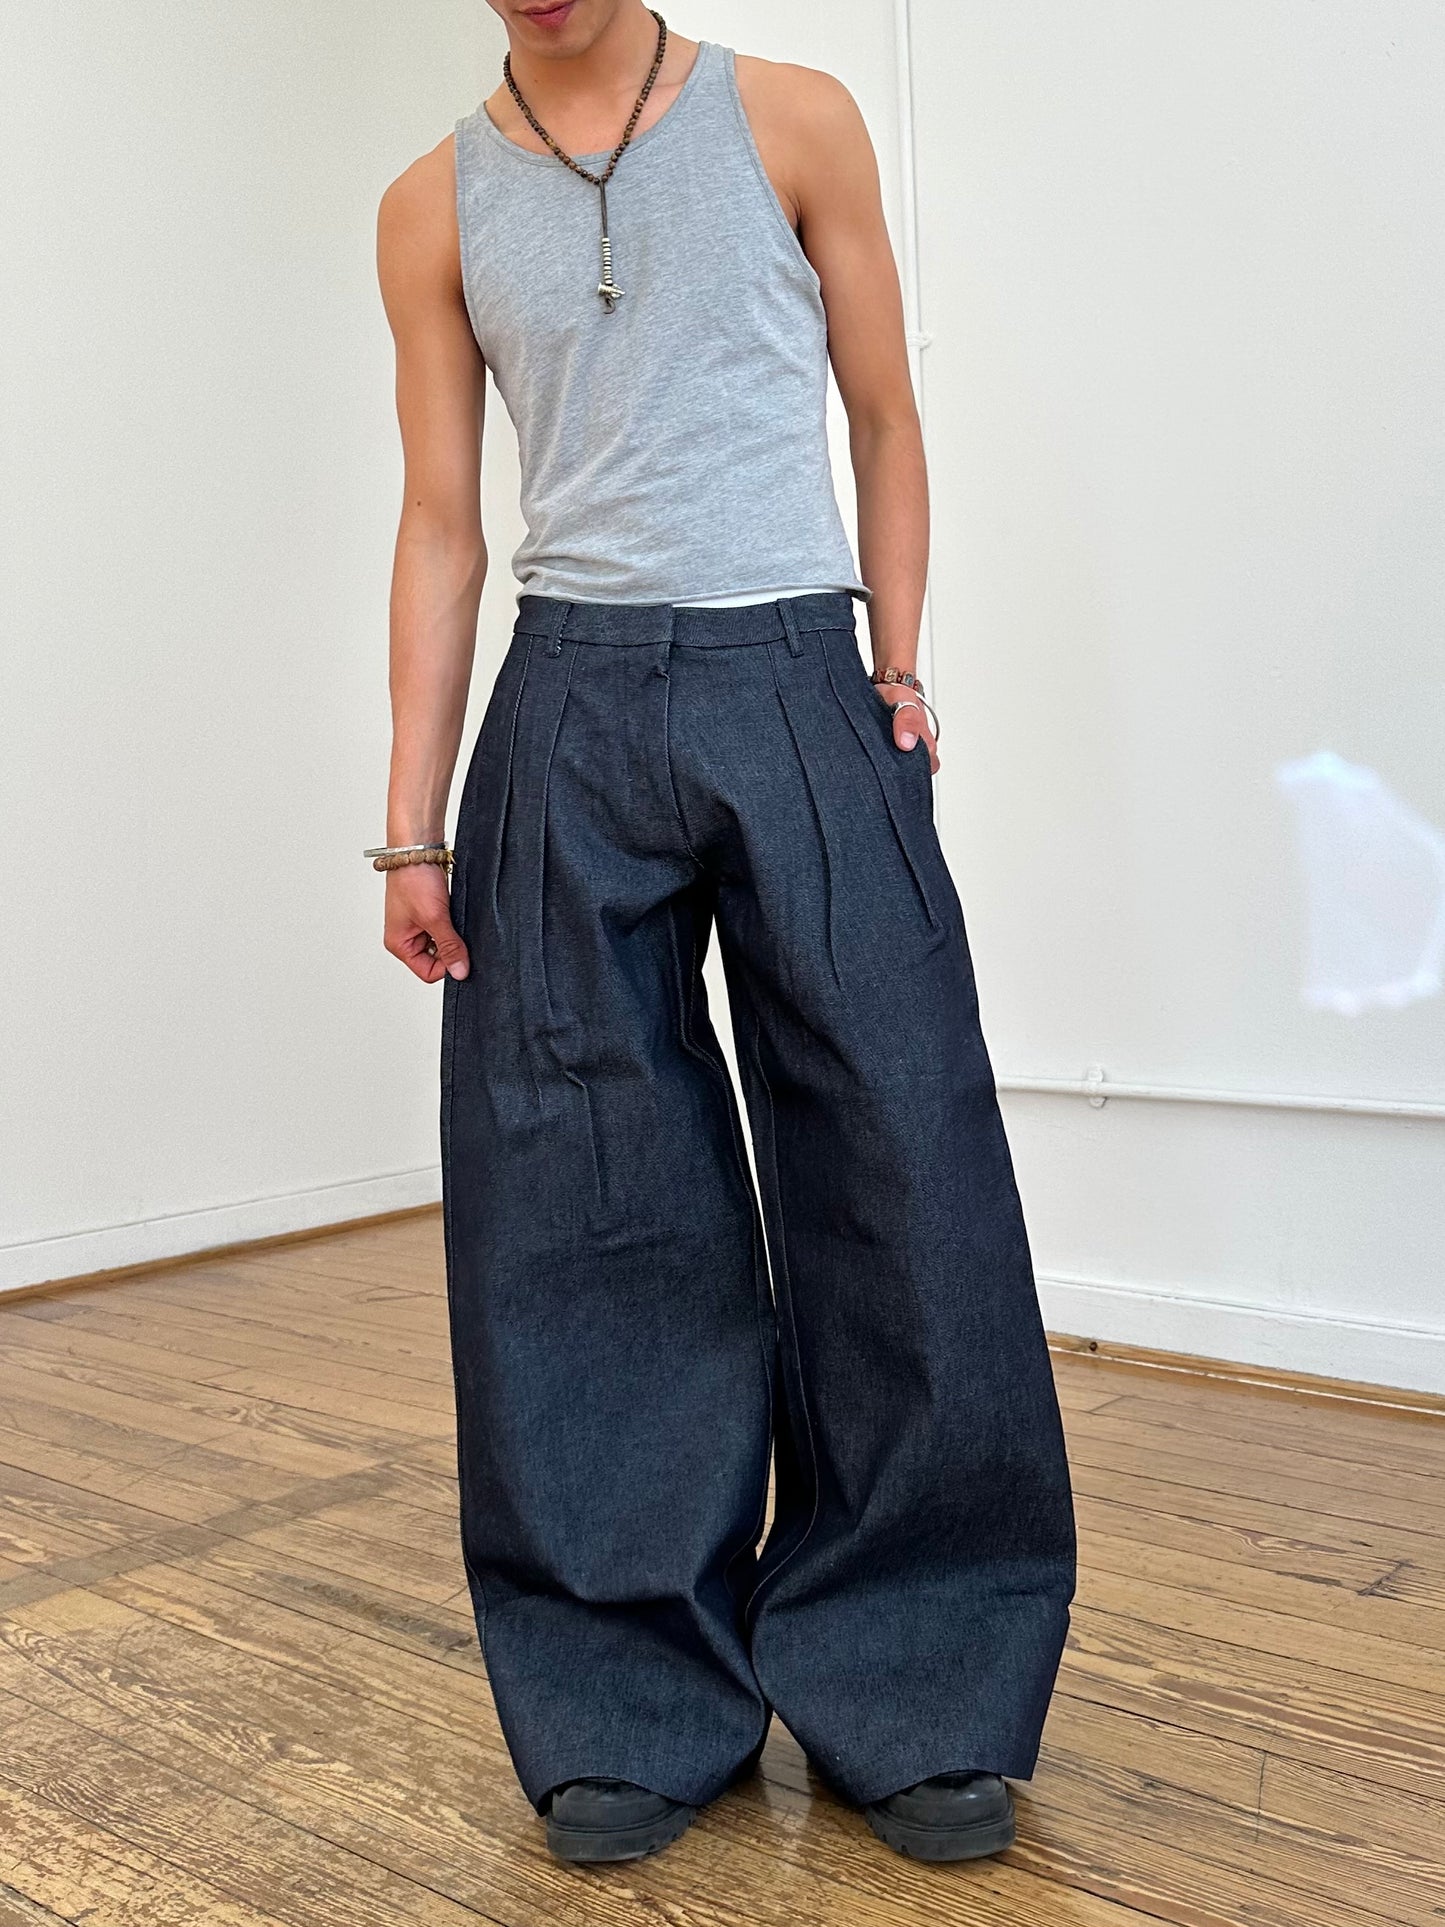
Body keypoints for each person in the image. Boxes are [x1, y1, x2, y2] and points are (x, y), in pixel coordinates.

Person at [371, 0, 1076, 1868]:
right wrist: (410, 825)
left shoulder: (794, 118)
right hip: (566, 704)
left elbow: (883, 410)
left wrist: (896, 665)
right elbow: (441, 522)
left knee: (902, 1153)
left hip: (797, 673)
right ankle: (623, 1692)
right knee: (575, 1189)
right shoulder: (431, 205)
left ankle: (915, 1672)